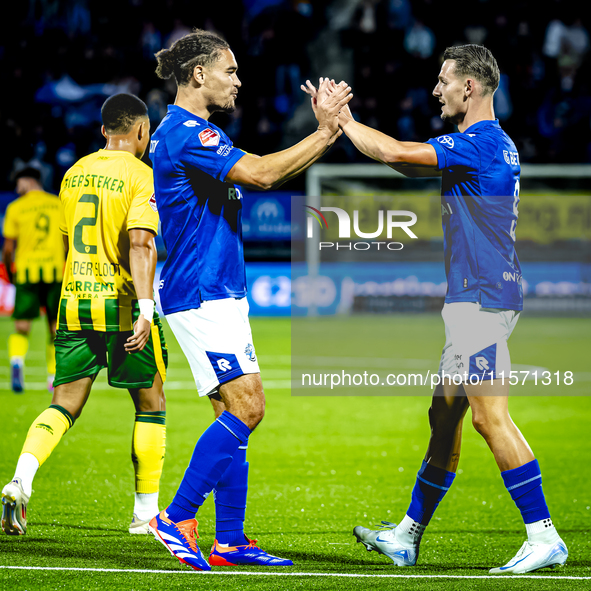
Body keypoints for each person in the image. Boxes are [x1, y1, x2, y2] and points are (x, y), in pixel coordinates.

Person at [304, 44, 568, 575]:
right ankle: (406, 536)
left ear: (469, 87)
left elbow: (400, 155)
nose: (436, 89)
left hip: (482, 297)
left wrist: (343, 122)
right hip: (478, 294)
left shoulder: (480, 142)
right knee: (444, 416)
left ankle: (543, 536)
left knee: (489, 416)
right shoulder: (497, 143)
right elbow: (411, 165)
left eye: (443, 80)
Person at [148, 29, 351, 571]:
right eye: (230, 71)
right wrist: (326, 131)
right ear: (198, 75)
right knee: (249, 406)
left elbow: (259, 174)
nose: (239, 81)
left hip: (214, 292)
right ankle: (176, 517)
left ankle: (230, 540)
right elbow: (262, 173)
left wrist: (326, 136)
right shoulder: (189, 133)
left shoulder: (191, 132)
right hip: (201, 291)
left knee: (230, 412)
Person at [1, 94, 168, 537]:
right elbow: (141, 243)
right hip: (122, 305)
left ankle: (21, 479)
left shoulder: (73, 174)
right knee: (150, 404)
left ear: (102, 132)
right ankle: (145, 515)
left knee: (64, 405)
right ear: (141, 132)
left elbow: (64, 244)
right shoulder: (141, 175)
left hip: (73, 304)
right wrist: (147, 310)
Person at [2, 167, 65, 393]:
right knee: (56, 328)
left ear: (28, 182)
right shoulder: (58, 203)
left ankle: (17, 363)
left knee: (21, 325)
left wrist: (10, 270)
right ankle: (53, 376)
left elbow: (9, 247)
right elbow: (68, 238)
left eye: (18, 183)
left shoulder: (16, 208)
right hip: (56, 271)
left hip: (27, 271)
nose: (16, 188)